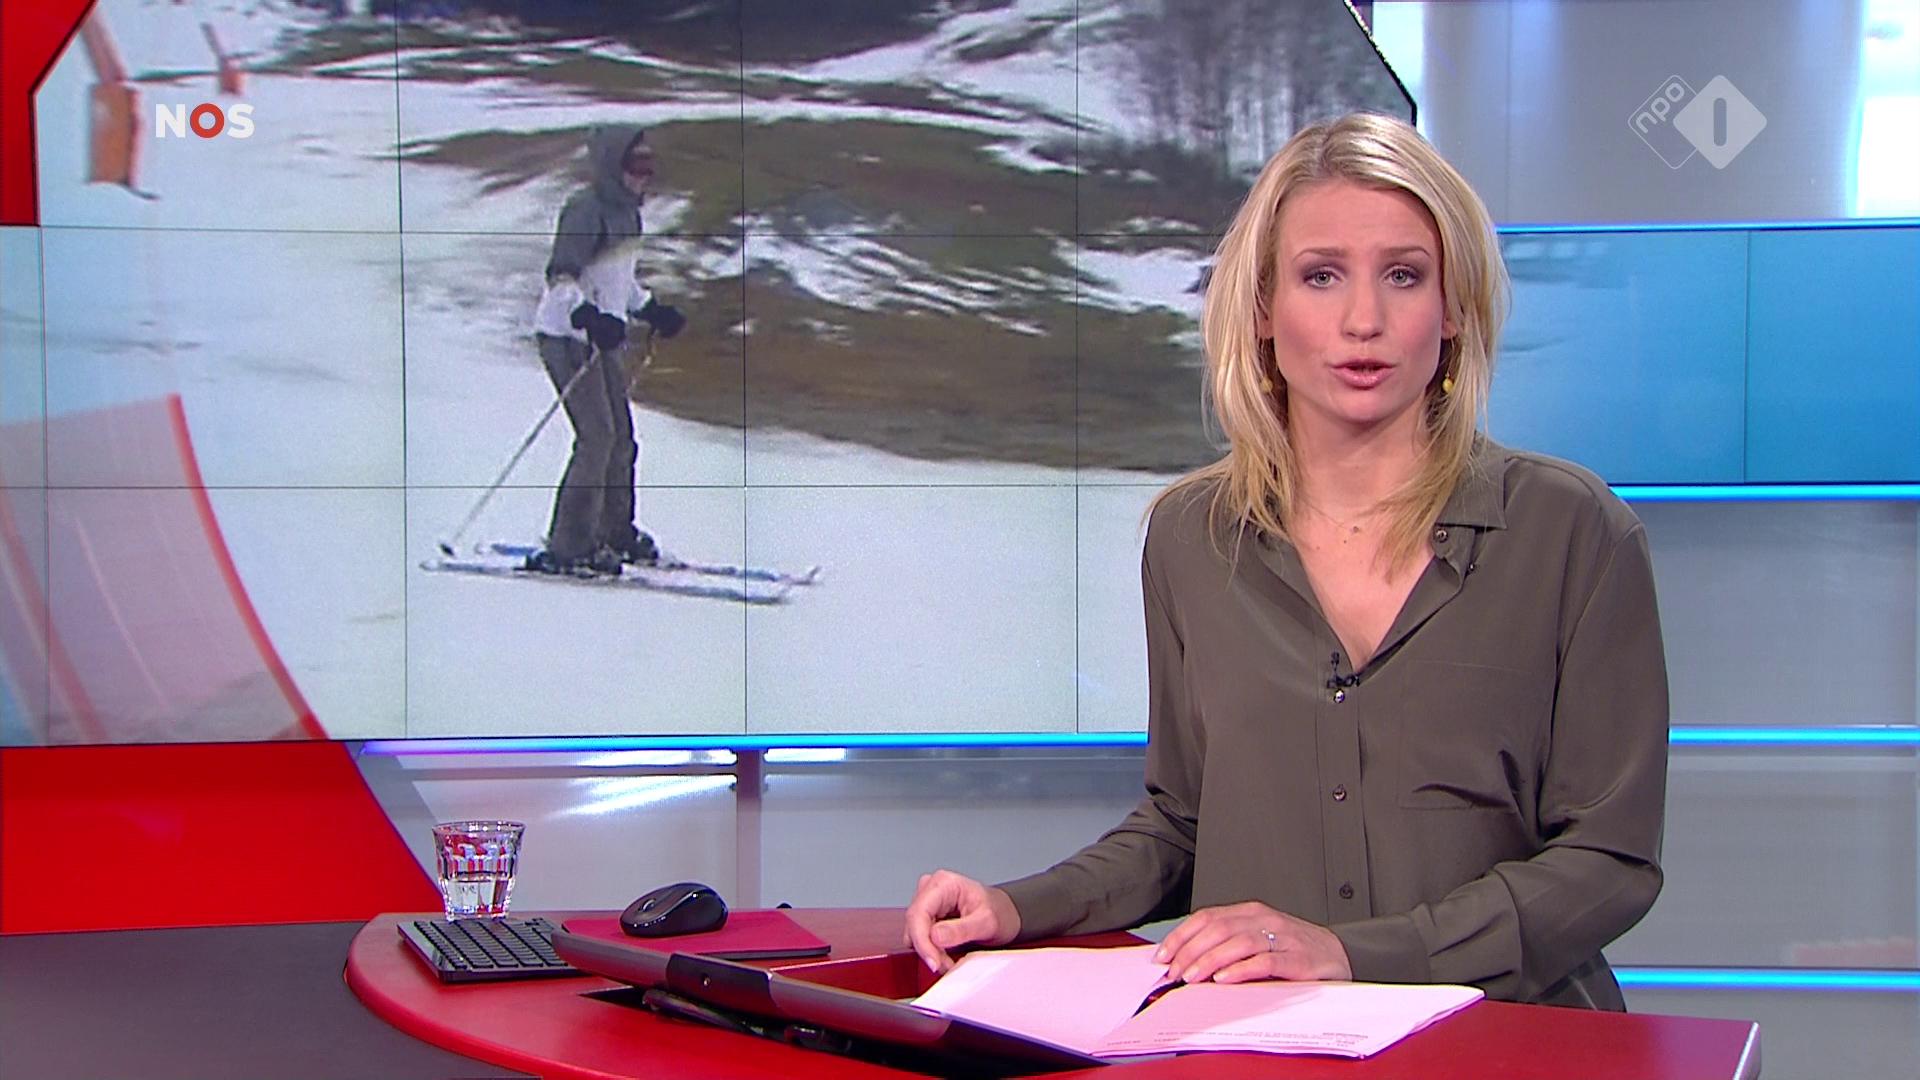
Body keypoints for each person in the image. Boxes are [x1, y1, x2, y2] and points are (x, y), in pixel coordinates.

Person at [904, 112, 1668, 1010]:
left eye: (1404, 275)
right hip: (1260, 1040)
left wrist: (1355, 954)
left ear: (1454, 308)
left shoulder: (1571, 531)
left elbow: (1609, 860)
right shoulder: (1191, 538)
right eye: (1321, 276)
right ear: (1263, 309)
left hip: (1506, 1045)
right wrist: (1016, 908)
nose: (1363, 320)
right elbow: (1183, 824)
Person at [525, 124, 687, 575]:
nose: (644, 174)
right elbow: (561, 276)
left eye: (649, 164)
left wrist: (650, 308)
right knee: (597, 437)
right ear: (614, 165)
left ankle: (614, 532)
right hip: (566, 338)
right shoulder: (585, 210)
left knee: (622, 440)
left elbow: (619, 280)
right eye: (636, 164)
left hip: (603, 341)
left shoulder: (628, 215)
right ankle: (570, 545)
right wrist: (586, 316)